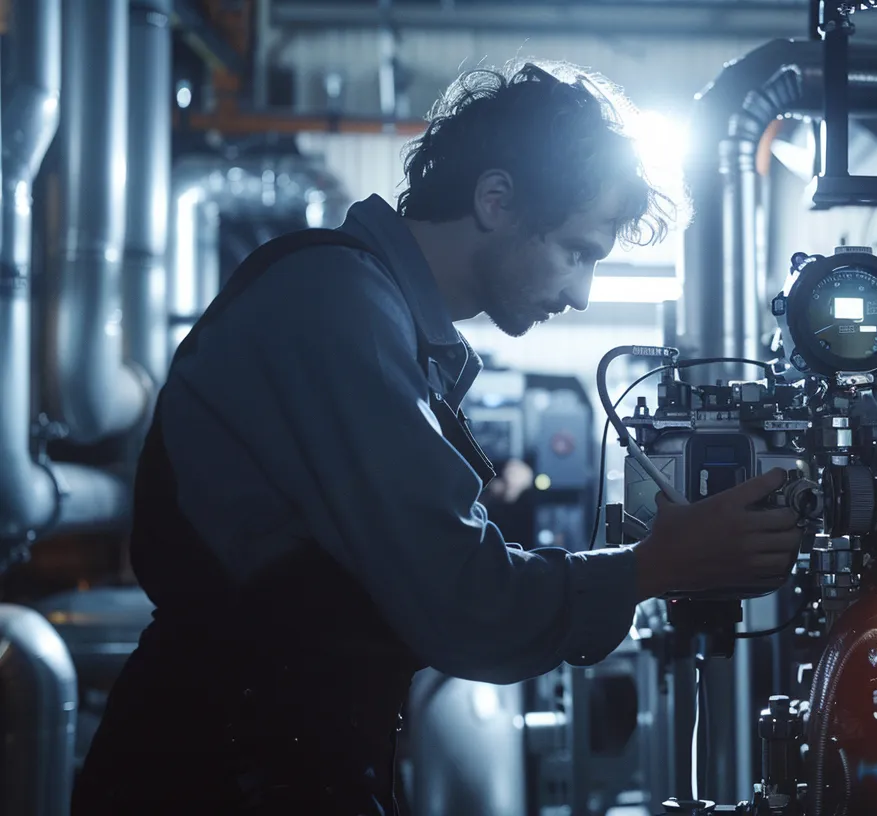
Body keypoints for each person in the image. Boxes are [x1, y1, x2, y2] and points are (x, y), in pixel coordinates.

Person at [72, 62, 803, 815]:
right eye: (578, 252)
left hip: (279, 762)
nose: (583, 292)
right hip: (215, 775)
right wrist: (657, 563)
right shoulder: (335, 309)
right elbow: (465, 601)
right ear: (496, 200)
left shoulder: (380, 320)